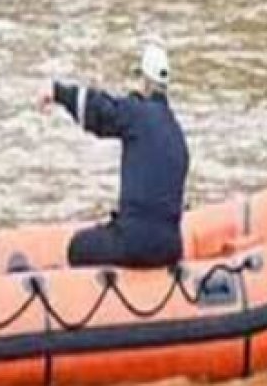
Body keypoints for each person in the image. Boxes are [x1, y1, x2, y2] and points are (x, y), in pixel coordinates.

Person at [37, 41, 189, 268]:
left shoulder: (137, 112)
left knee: (78, 247)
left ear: (144, 81)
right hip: (170, 248)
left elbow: (101, 109)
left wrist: (58, 92)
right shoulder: (176, 132)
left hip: (135, 242)